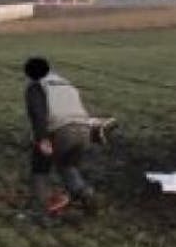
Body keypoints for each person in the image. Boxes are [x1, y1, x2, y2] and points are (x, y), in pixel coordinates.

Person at [23, 57, 115, 218]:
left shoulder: (36, 87)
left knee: (40, 169)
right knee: (67, 166)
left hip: (60, 130)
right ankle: (87, 195)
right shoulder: (66, 84)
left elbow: (38, 114)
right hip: (84, 130)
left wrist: (42, 139)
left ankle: (41, 208)